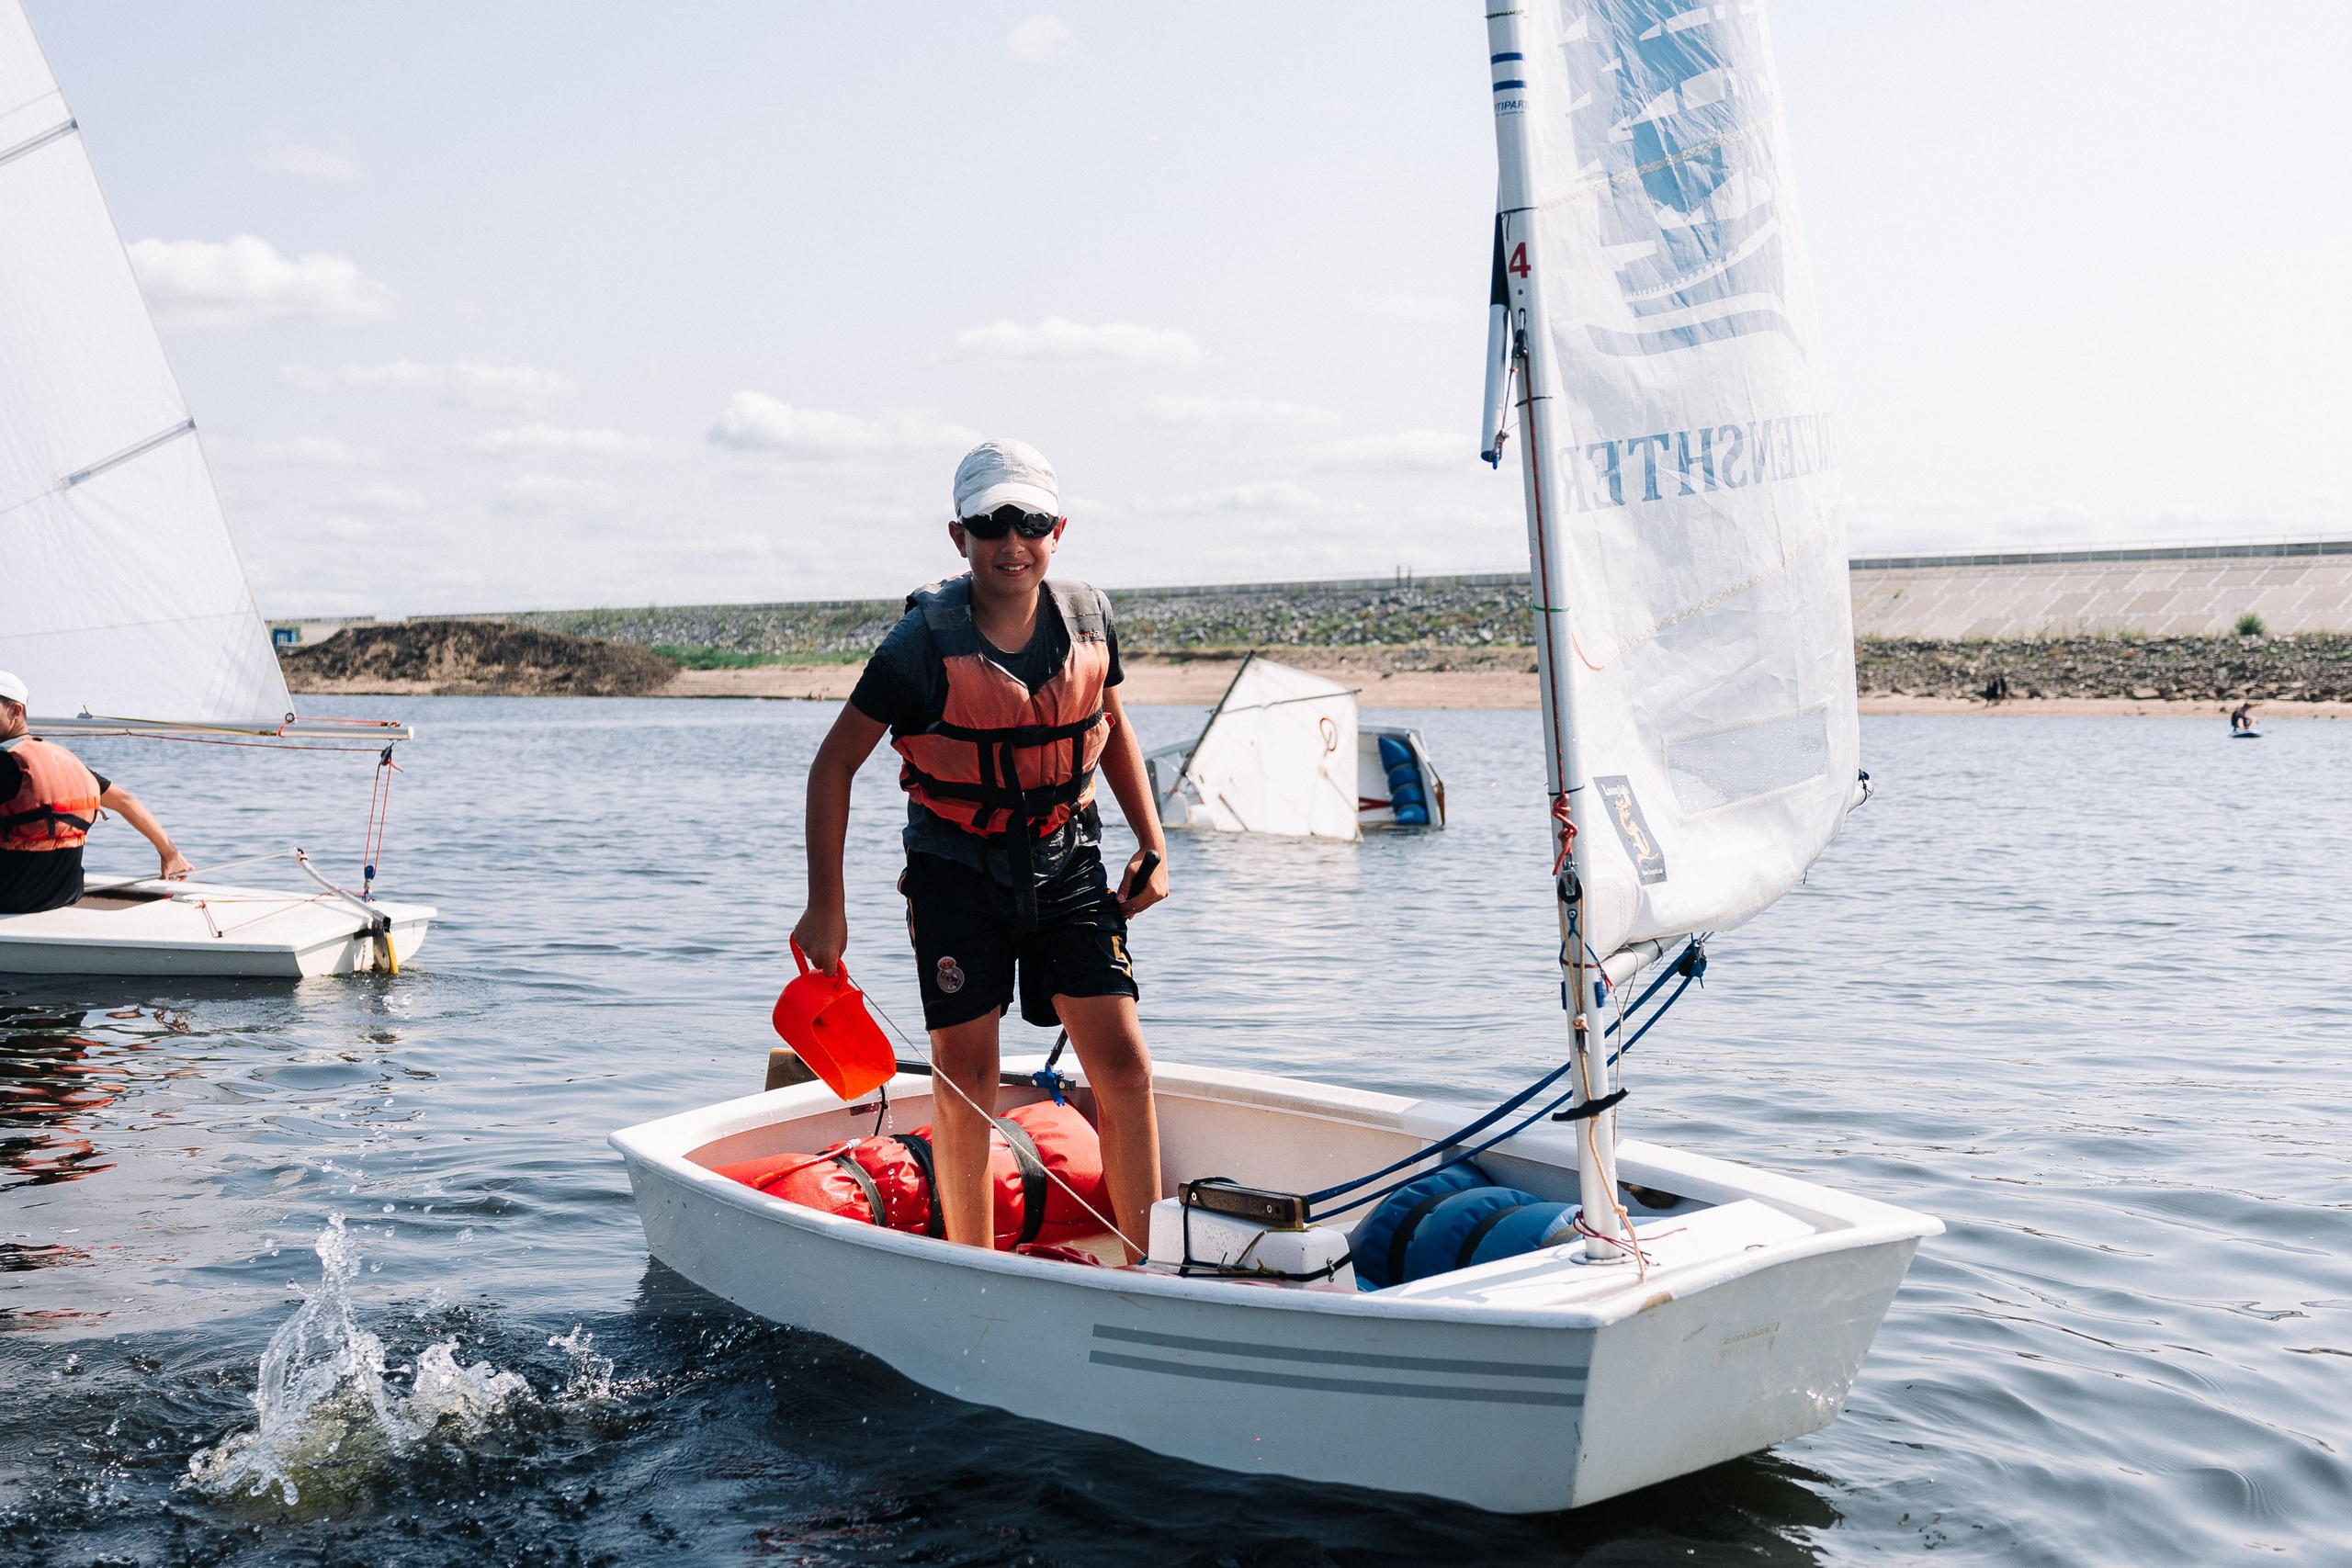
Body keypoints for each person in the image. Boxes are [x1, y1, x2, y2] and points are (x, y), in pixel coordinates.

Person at [792, 439, 1170, 1259]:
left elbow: (1109, 728)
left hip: (1067, 860)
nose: (1011, 540)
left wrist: (1153, 839)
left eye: (1029, 521)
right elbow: (834, 766)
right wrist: (828, 906)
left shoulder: (1090, 618)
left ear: (1058, 529)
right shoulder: (917, 648)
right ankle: (972, 1263)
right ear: (958, 536)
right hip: (956, 869)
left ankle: (1151, 1263)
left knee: (1126, 1064)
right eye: (990, 522)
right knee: (966, 1072)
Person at [0, 671, 190, 914]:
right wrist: (170, 853)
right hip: (63, 895)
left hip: (10, 900)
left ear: (15, 711)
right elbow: (125, 801)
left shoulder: (6, 766)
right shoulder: (66, 762)